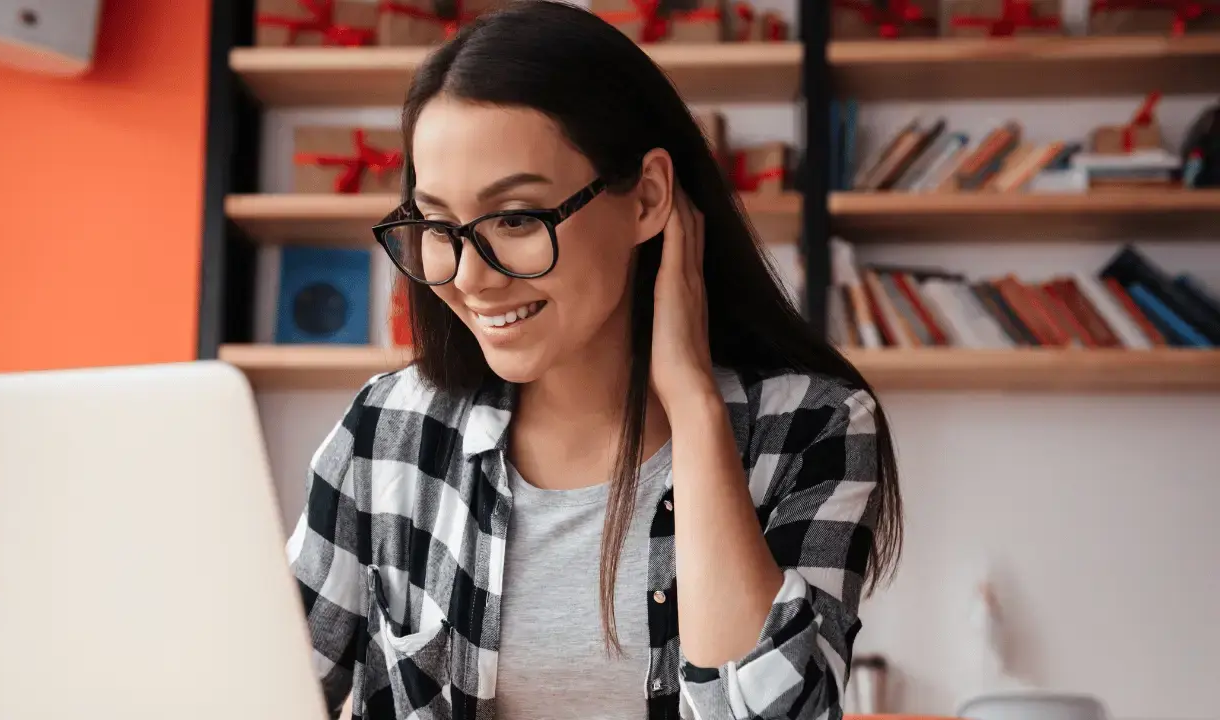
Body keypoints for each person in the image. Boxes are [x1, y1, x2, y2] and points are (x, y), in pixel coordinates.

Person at [284, 2, 903, 718]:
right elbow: (257, 690)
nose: (469, 277)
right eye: (437, 224)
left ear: (646, 199)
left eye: (515, 218)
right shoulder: (388, 432)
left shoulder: (811, 428)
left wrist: (694, 406)